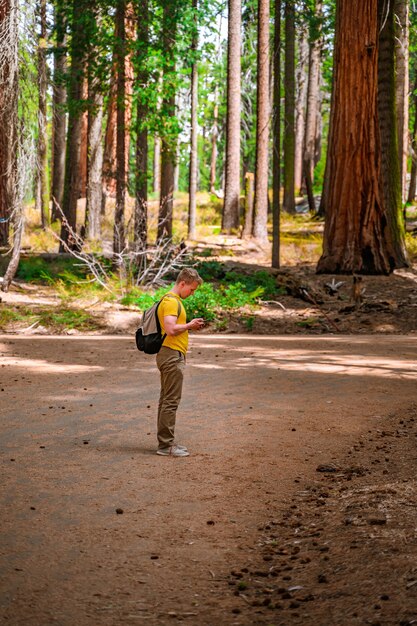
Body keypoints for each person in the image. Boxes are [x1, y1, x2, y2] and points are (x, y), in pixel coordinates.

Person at [155, 268, 204, 457]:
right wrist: (190, 325)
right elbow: (170, 328)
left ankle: (165, 443)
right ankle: (166, 446)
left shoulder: (172, 301)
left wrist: (189, 326)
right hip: (170, 355)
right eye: (191, 290)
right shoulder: (170, 302)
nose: (192, 294)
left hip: (171, 354)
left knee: (166, 399)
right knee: (171, 401)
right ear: (182, 283)